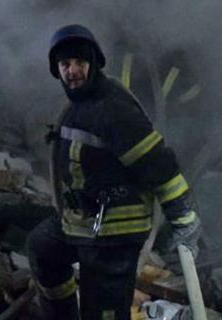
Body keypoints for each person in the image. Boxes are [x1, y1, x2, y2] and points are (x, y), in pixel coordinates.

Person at [27, 24, 201, 320]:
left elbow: (160, 166)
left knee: (104, 313)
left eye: (80, 63)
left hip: (115, 234)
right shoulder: (78, 107)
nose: (72, 71)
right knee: (43, 248)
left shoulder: (113, 110)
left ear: (93, 64)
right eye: (65, 64)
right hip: (81, 223)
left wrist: (184, 220)